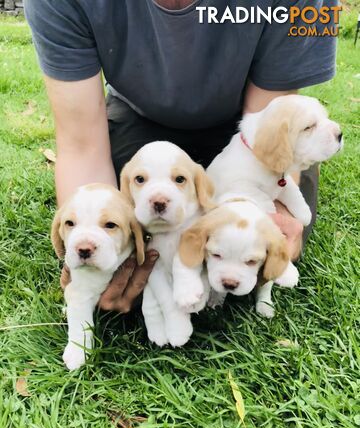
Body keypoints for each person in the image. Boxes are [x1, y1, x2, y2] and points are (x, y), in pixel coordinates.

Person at [24, 0, 337, 313]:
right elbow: (82, 147)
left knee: (262, 242)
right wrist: (95, 244)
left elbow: (270, 139)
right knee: (131, 258)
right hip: (139, 117)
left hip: (246, 127)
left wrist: (276, 215)